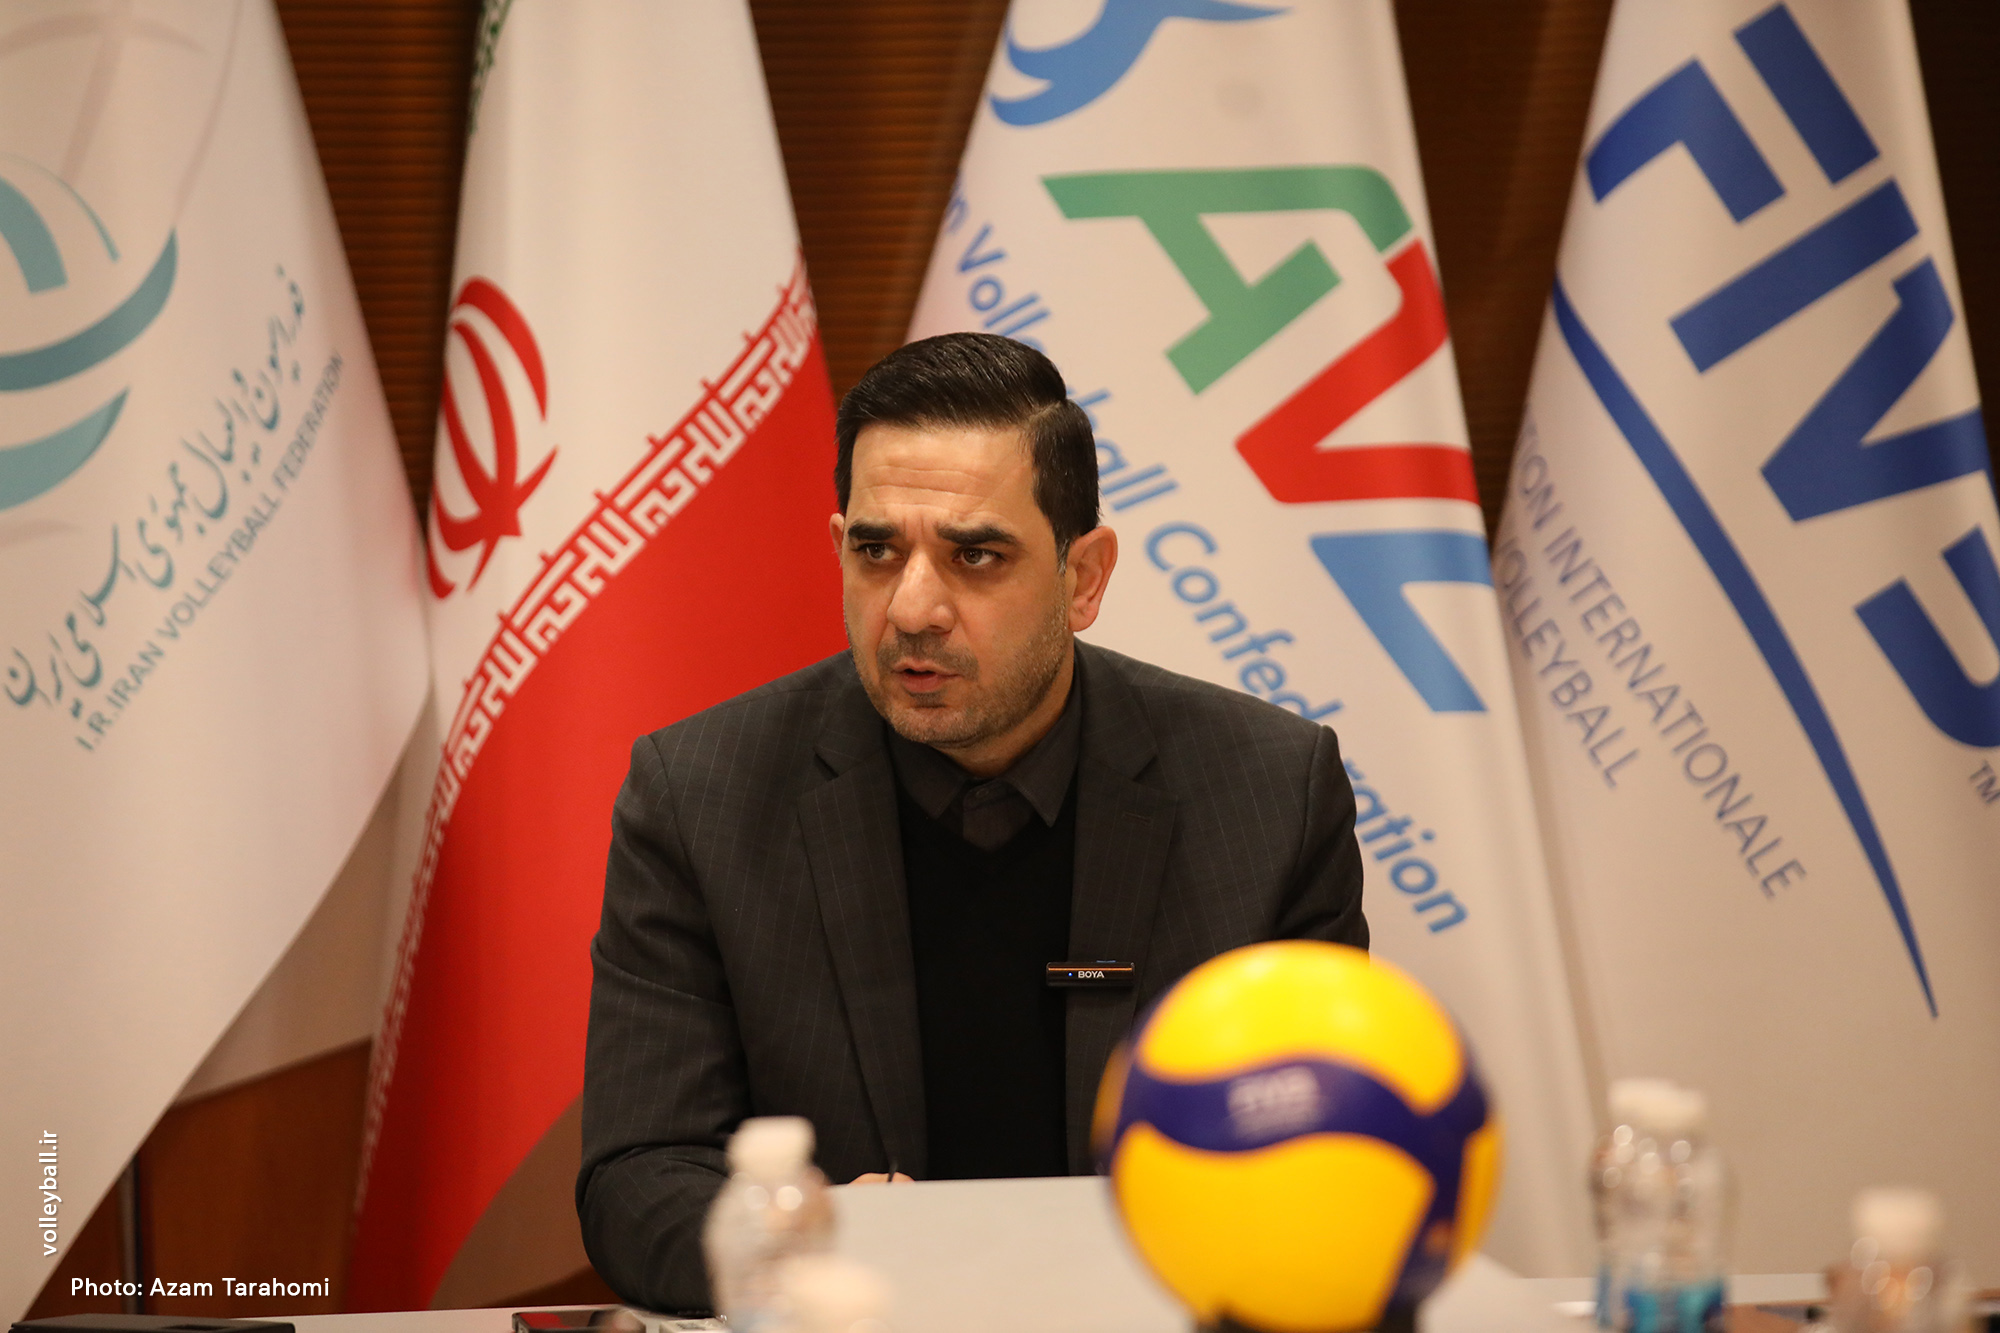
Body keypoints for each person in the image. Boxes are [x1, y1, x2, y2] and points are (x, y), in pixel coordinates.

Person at [576, 332, 1366, 1311]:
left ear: (1083, 577)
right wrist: (806, 1240)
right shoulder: (701, 794)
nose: (913, 608)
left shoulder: (1268, 792)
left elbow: (1330, 1153)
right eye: (876, 551)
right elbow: (638, 1171)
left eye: (975, 555)